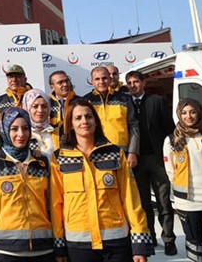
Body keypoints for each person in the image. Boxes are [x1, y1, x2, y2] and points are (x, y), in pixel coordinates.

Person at [49, 99, 153, 261]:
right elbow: (56, 205)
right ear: (70, 124)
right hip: (79, 244)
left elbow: (131, 198)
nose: (84, 121)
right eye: (78, 118)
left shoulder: (115, 153)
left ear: (96, 121)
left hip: (116, 241)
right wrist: (59, 246)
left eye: (88, 116)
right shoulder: (59, 158)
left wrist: (140, 243)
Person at [0, 107, 54, 261]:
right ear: (5, 131)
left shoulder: (42, 162)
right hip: (5, 251)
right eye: (14, 129)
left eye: (25, 128)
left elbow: (51, 205)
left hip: (43, 249)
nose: (21, 134)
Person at [125, 71, 177, 255]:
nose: (133, 85)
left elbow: (169, 129)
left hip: (157, 159)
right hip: (136, 161)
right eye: (129, 83)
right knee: (143, 203)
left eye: (136, 82)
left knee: (163, 202)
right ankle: (150, 237)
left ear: (143, 82)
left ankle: (169, 239)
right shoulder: (125, 103)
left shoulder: (157, 101)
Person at [163, 98, 202, 262]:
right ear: (179, 115)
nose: (189, 116)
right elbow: (170, 170)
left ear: (199, 113)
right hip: (187, 202)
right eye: (184, 113)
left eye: (193, 112)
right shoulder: (171, 140)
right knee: (194, 243)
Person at [82, 66, 140, 168]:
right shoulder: (85, 101)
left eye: (104, 78)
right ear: (92, 82)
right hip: (95, 151)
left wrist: (133, 152)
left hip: (122, 152)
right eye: (97, 79)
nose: (101, 82)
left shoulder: (125, 98)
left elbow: (133, 126)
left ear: (109, 79)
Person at [22, 89, 59, 159]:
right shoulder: (23, 134)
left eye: (44, 106)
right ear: (27, 108)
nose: (40, 110)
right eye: (35, 106)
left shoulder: (57, 132)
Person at [47, 71, 76, 137]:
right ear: (52, 87)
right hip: (54, 140)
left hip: (75, 140)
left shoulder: (80, 101)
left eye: (67, 81)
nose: (65, 84)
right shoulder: (46, 103)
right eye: (60, 82)